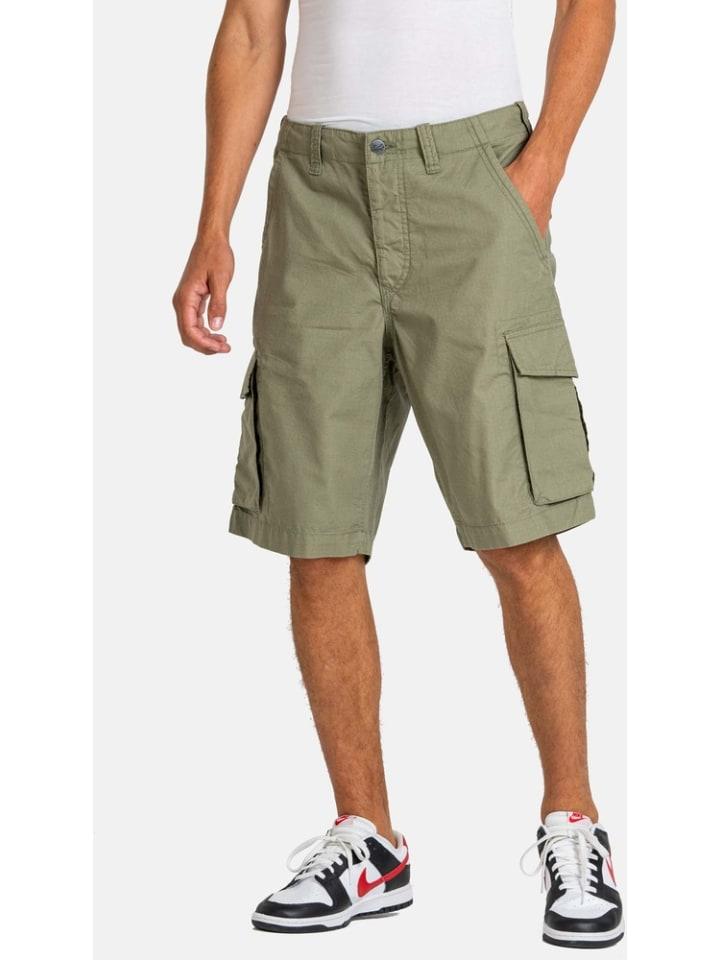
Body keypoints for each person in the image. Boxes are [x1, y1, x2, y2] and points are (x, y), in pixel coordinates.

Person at [173, 0, 622, 947]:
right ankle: (368, 839)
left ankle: (573, 820)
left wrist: (542, 167)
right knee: (315, 530)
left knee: (517, 526)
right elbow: (252, 26)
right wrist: (214, 223)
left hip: (475, 181)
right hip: (315, 192)